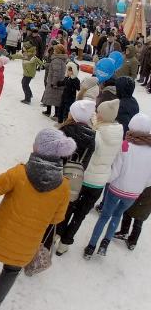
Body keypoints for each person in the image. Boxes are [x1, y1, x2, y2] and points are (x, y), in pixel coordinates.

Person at [0, 128, 72, 310]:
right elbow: (57, 219)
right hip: (26, 243)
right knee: (11, 272)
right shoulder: (63, 185)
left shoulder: (19, 173)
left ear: (37, 149)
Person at [85, 113, 151, 258]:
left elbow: (115, 172)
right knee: (117, 215)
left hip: (117, 189)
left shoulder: (126, 146)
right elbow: (149, 180)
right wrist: (138, 186)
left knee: (105, 216)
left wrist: (106, 179)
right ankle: (105, 244)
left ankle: (91, 246)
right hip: (133, 194)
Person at [50, 100, 96, 253]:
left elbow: (54, 155)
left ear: (73, 114)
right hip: (74, 180)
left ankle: (46, 239)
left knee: (50, 211)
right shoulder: (92, 136)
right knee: (65, 209)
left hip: (56, 176)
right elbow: (86, 162)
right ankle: (57, 237)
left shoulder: (64, 131)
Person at [116, 185, 151, 250]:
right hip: (146, 204)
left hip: (142, 199)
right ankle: (132, 242)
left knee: (127, 212)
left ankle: (124, 232)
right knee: (139, 220)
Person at [41, 44, 68, 120]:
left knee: (55, 99)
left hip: (55, 82)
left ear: (58, 51)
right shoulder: (58, 59)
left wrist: (54, 82)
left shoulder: (57, 60)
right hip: (55, 81)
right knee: (51, 97)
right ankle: (48, 111)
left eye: (55, 50)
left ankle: (56, 114)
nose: (54, 51)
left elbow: (57, 72)